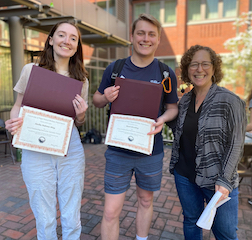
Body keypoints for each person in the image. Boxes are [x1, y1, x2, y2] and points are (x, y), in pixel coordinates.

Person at [93, 13, 178, 240]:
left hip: (150, 151)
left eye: (151, 34)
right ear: (132, 36)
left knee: (145, 200)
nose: (145, 38)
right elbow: (96, 100)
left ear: (158, 39)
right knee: (111, 211)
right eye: (140, 33)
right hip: (118, 152)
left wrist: (163, 119)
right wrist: (106, 97)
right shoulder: (115, 68)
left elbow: (173, 107)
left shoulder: (165, 73)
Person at [5, 21, 89, 240]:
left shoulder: (82, 80)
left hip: (69, 148)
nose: (67, 41)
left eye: (73, 38)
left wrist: (81, 116)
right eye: (61, 35)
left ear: (77, 45)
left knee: (72, 215)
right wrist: (14, 124)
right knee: (45, 216)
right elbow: (17, 107)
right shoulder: (31, 71)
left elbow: (78, 122)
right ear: (51, 40)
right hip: (36, 148)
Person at [169, 45, 246, 240]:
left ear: (214, 68)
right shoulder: (185, 101)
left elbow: (236, 143)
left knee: (225, 233)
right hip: (185, 176)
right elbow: (178, 129)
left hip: (219, 181)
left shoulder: (230, 101)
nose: (199, 69)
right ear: (187, 69)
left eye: (205, 64)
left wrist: (224, 180)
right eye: (194, 64)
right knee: (191, 221)